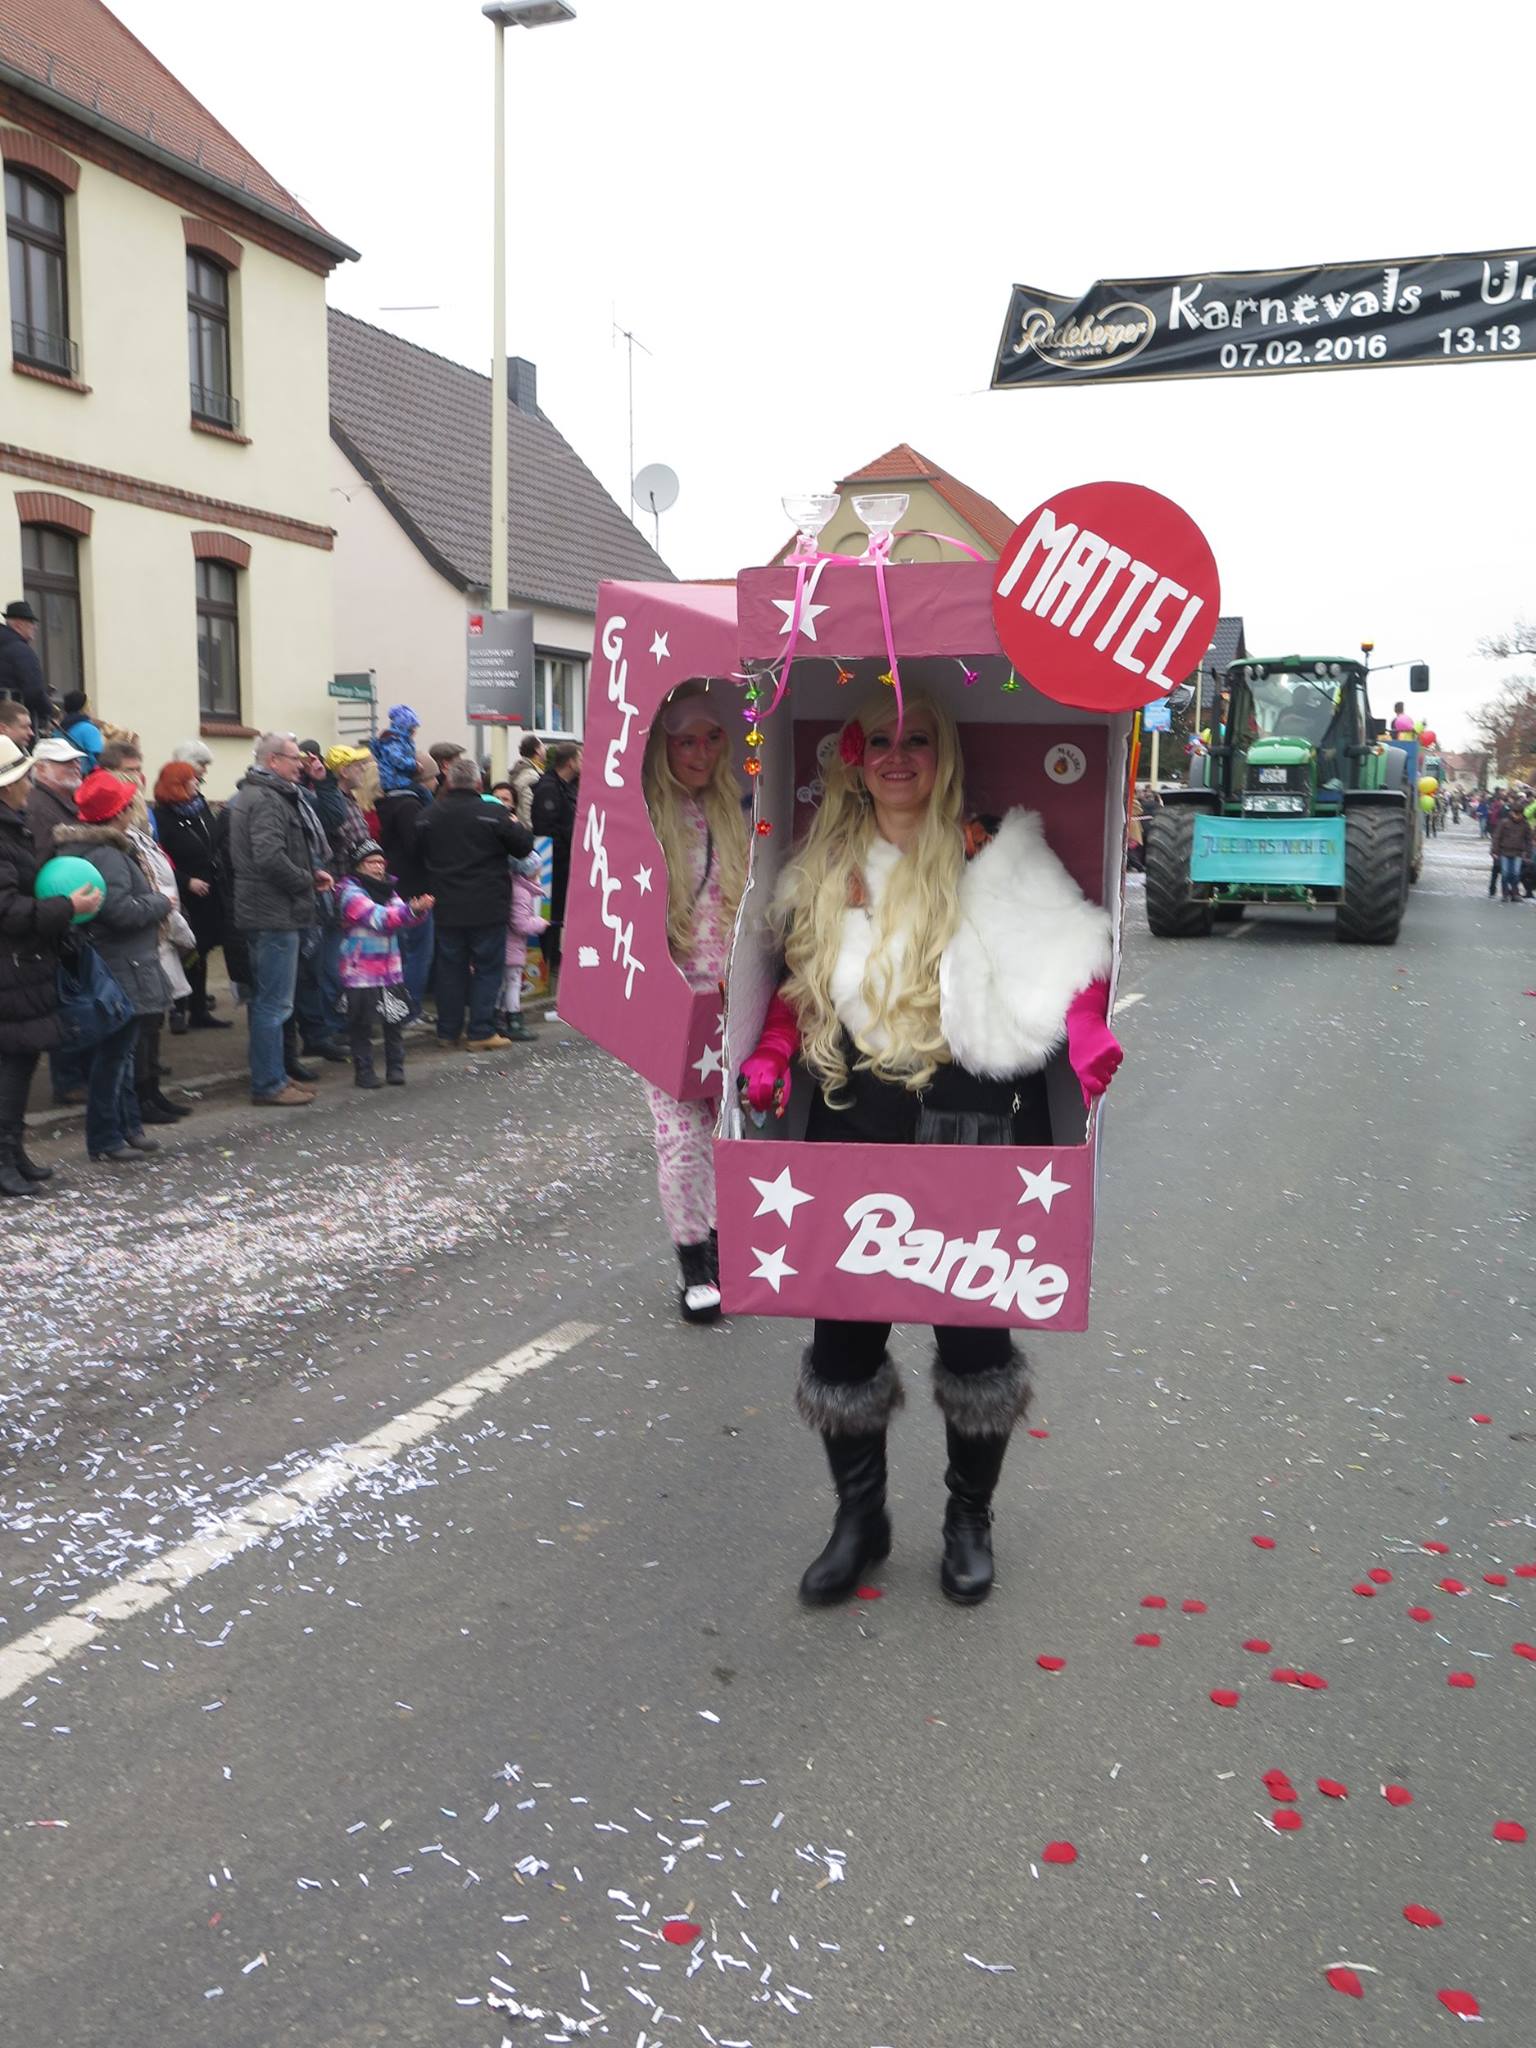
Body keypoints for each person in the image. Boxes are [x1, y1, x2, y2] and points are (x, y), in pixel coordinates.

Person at [741, 694, 1122, 1607]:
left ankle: (968, 1521)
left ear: (943, 753)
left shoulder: (990, 851)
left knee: (976, 1339)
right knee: (843, 1337)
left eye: (916, 739)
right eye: (880, 740)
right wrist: (771, 1053)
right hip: (855, 1115)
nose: (897, 756)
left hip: (971, 1116)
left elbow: (1068, 952)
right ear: (856, 757)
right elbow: (798, 988)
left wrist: (1086, 1030)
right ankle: (859, 1521)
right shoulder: (827, 866)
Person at [639, 688, 748, 1321]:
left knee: (731, 1134)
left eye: (710, 739)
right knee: (682, 1142)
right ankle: (694, 1264)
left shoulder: (738, 809)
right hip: (669, 1004)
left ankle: (728, 1250)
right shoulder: (645, 817)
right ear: (665, 746)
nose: (700, 754)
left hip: (734, 1002)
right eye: (686, 741)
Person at [55, 770, 176, 1163]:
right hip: (122, 965)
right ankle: (108, 1137)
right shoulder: (107, 854)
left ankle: (127, 1128)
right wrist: (161, 903)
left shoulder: (79, 849)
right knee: (115, 1055)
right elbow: (120, 911)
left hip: (112, 963)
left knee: (118, 1054)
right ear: (119, 812)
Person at [0, 736, 102, 1195]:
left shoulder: (13, 826)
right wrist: (67, 906)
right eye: (23, 778)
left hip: (22, 968)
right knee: (11, 1066)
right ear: (8, 786)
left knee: (21, 1063)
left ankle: (14, 1152)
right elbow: (8, 910)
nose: (29, 786)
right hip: (11, 969)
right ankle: (4, 1160)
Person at [223, 733, 334, 1107]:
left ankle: (274, 1075)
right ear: (272, 760)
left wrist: (308, 875)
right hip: (273, 912)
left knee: (267, 1001)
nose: (301, 764)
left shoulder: (257, 794)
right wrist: (306, 879)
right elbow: (269, 857)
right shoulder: (267, 799)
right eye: (294, 758)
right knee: (274, 1004)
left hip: (265, 909)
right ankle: (269, 1082)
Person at [417, 753, 533, 1049]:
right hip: (487, 904)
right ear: (479, 784)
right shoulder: (493, 814)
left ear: (449, 782)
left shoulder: (428, 815)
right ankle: (481, 1031)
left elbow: (415, 852)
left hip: (446, 905)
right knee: (487, 968)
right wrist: (515, 823)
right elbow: (523, 847)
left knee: (450, 970)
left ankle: (448, 1031)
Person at [332, 841, 432, 1088]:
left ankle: (395, 1067)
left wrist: (418, 911)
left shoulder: (389, 889)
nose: (378, 867)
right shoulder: (349, 892)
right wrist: (410, 910)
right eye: (372, 862)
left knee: (394, 1021)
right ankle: (364, 1071)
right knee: (361, 1025)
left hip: (389, 970)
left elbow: (403, 918)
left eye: (381, 862)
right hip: (361, 972)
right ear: (359, 865)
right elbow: (378, 918)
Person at [153, 759, 231, 1032]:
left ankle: (198, 1010)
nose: (197, 783)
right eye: (191, 780)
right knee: (184, 951)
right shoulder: (162, 817)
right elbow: (160, 860)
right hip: (184, 894)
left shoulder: (199, 807)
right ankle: (179, 1008)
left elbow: (214, 840)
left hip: (210, 890)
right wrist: (186, 881)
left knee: (202, 950)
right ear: (178, 785)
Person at [376, 752, 436, 1022]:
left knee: (400, 954)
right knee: (417, 954)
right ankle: (409, 1011)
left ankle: (400, 1010)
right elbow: (418, 847)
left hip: (396, 885)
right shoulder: (411, 806)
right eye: (433, 777)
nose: (436, 783)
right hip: (414, 888)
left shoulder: (389, 802)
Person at [531, 741, 581, 1015]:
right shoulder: (548, 789)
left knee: (561, 914)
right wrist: (565, 849)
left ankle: (556, 960)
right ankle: (546, 963)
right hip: (554, 864)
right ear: (570, 761)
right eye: (580, 757)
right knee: (549, 914)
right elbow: (546, 829)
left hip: (567, 862)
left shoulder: (569, 786)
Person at [499, 847, 546, 1044]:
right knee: (513, 984)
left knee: (501, 984)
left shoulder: (512, 885)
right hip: (512, 948)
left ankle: (497, 1018)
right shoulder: (522, 893)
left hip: (503, 945)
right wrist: (540, 923)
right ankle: (514, 1020)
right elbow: (520, 924)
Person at [24, 734, 86, 857]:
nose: (76, 766)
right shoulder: (38, 808)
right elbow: (40, 857)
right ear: (41, 769)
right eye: (66, 762)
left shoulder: (63, 801)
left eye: (77, 760)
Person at [0, 601, 53, 733]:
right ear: (18, 624)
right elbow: (34, 691)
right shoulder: (20, 650)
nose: (35, 627)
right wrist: (48, 710)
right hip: (14, 722)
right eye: (31, 623)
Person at [1495, 799, 1535, 901]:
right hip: (1504, 851)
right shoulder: (1504, 823)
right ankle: (1505, 894)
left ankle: (1515, 893)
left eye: (1519, 814)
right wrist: (1494, 851)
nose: (1516, 816)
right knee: (1505, 873)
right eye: (1515, 813)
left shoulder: (1525, 824)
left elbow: (1528, 840)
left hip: (1518, 852)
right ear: (1511, 813)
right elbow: (1497, 837)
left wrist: (1528, 852)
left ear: (1522, 814)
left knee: (1516, 873)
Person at [57, 691, 104, 772]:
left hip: (63, 772)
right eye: (89, 705)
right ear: (84, 709)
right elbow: (98, 756)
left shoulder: (59, 729)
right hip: (85, 774)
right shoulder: (89, 729)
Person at [509, 732, 545, 827]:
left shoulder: (518, 769)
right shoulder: (531, 776)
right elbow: (526, 808)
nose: (545, 749)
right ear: (537, 750)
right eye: (542, 746)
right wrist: (531, 831)